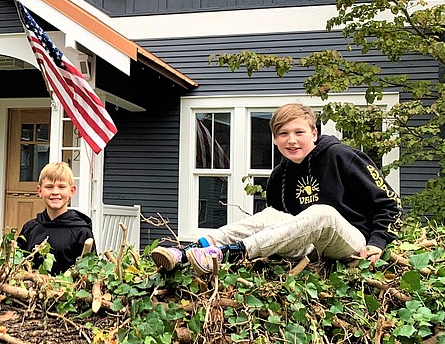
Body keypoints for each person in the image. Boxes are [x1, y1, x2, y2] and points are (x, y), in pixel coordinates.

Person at [152, 102, 402, 277]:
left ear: (314, 133)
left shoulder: (341, 156)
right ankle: (187, 252)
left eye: (299, 132)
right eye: (283, 134)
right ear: (274, 139)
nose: (291, 140)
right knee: (271, 214)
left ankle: (231, 254)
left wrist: (377, 242)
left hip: (350, 242)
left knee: (322, 212)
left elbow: (390, 203)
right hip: (309, 249)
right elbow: (280, 224)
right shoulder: (279, 176)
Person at [17, 161, 95, 273]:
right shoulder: (30, 229)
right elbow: (17, 265)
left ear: (72, 191)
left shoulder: (81, 231)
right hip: (30, 289)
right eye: (49, 187)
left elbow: (90, 272)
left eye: (62, 187)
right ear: (40, 191)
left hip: (67, 288)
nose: (55, 192)